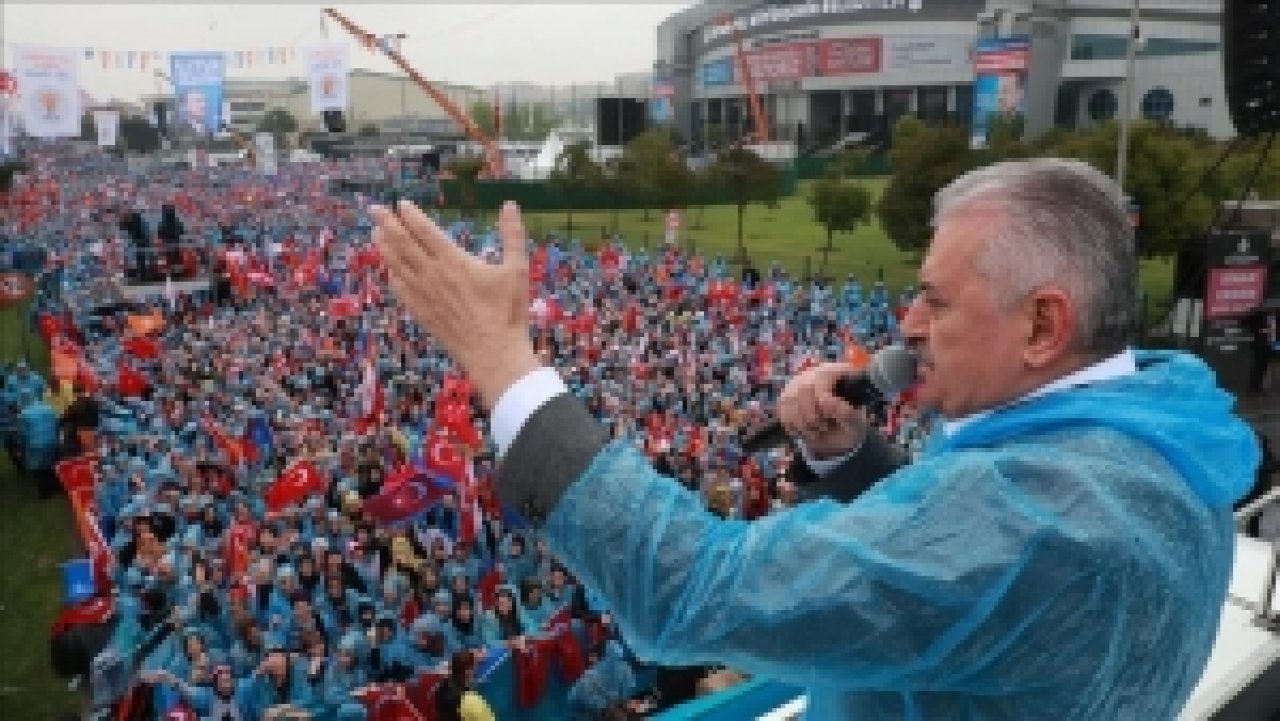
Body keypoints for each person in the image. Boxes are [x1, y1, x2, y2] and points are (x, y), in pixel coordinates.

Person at [371, 158, 1262, 720]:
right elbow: (967, 582)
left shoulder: (1027, 517)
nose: (906, 322)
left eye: (937, 300)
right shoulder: (1162, 444)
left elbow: (690, 591)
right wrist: (850, 459)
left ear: (1042, 325)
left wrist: (501, 361)